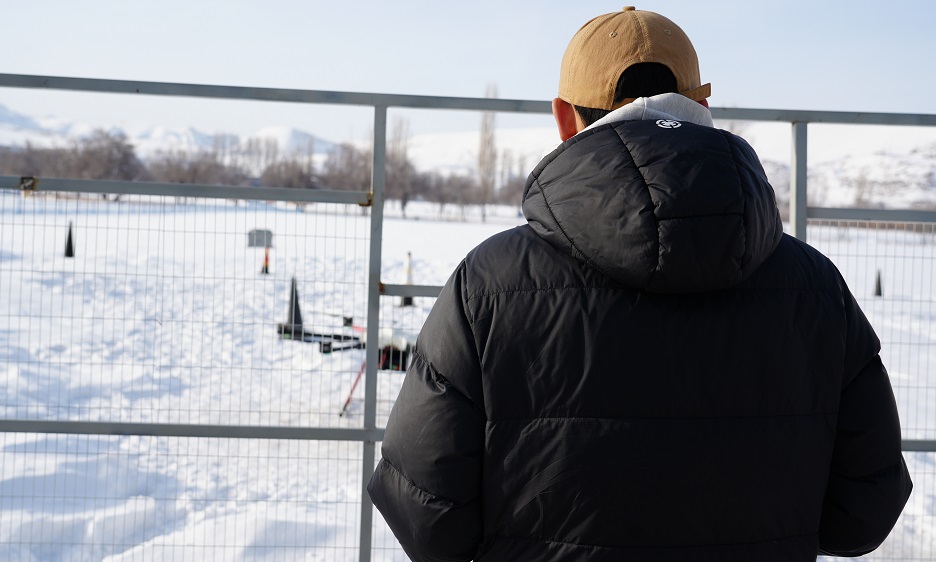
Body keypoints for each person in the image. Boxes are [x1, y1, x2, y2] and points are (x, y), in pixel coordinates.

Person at [368, 7, 913, 561]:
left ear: (563, 118)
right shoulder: (817, 289)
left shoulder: (486, 287)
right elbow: (863, 514)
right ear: (702, 106)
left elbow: (428, 520)